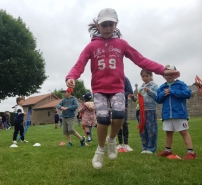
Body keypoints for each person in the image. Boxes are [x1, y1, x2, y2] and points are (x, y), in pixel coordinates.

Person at [65, 8, 180, 169]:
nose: (107, 28)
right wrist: (71, 77)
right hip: (98, 89)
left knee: (119, 115)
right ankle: (100, 148)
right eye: (104, 25)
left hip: (117, 88)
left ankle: (112, 140)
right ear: (98, 26)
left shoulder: (121, 44)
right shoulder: (91, 47)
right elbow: (79, 65)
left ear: (116, 24)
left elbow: (141, 60)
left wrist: (162, 70)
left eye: (110, 24)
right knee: (103, 119)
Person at [155, 65, 196, 160]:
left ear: (175, 75)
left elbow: (188, 94)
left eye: (171, 74)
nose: (169, 76)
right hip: (167, 114)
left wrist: (172, 91)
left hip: (179, 113)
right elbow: (158, 99)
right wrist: (163, 94)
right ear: (163, 76)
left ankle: (191, 152)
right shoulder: (162, 87)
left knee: (183, 132)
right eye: (167, 74)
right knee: (168, 132)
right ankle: (167, 150)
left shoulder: (181, 84)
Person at [129, 70, 158, 153]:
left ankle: (151, 148)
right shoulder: (141, 87)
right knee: (143, 129)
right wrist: (133, 98)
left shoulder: (154, 86)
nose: (145, 78)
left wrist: (150, 92)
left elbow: (157, 97)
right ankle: (144, 147)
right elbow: (139, 100)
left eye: (146, 76)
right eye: (143, 76)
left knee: (151, 129)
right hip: (140, 110)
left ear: (151, 76)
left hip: (150, 110)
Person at [116, 76, 134, 151]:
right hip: (114, 105)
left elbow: (130, 91)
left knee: (124, 123)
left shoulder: (125, 79)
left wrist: (120, 94)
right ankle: (120, 143)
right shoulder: (111, 78)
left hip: (123, 105)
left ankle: (126, 144)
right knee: (117, 124)